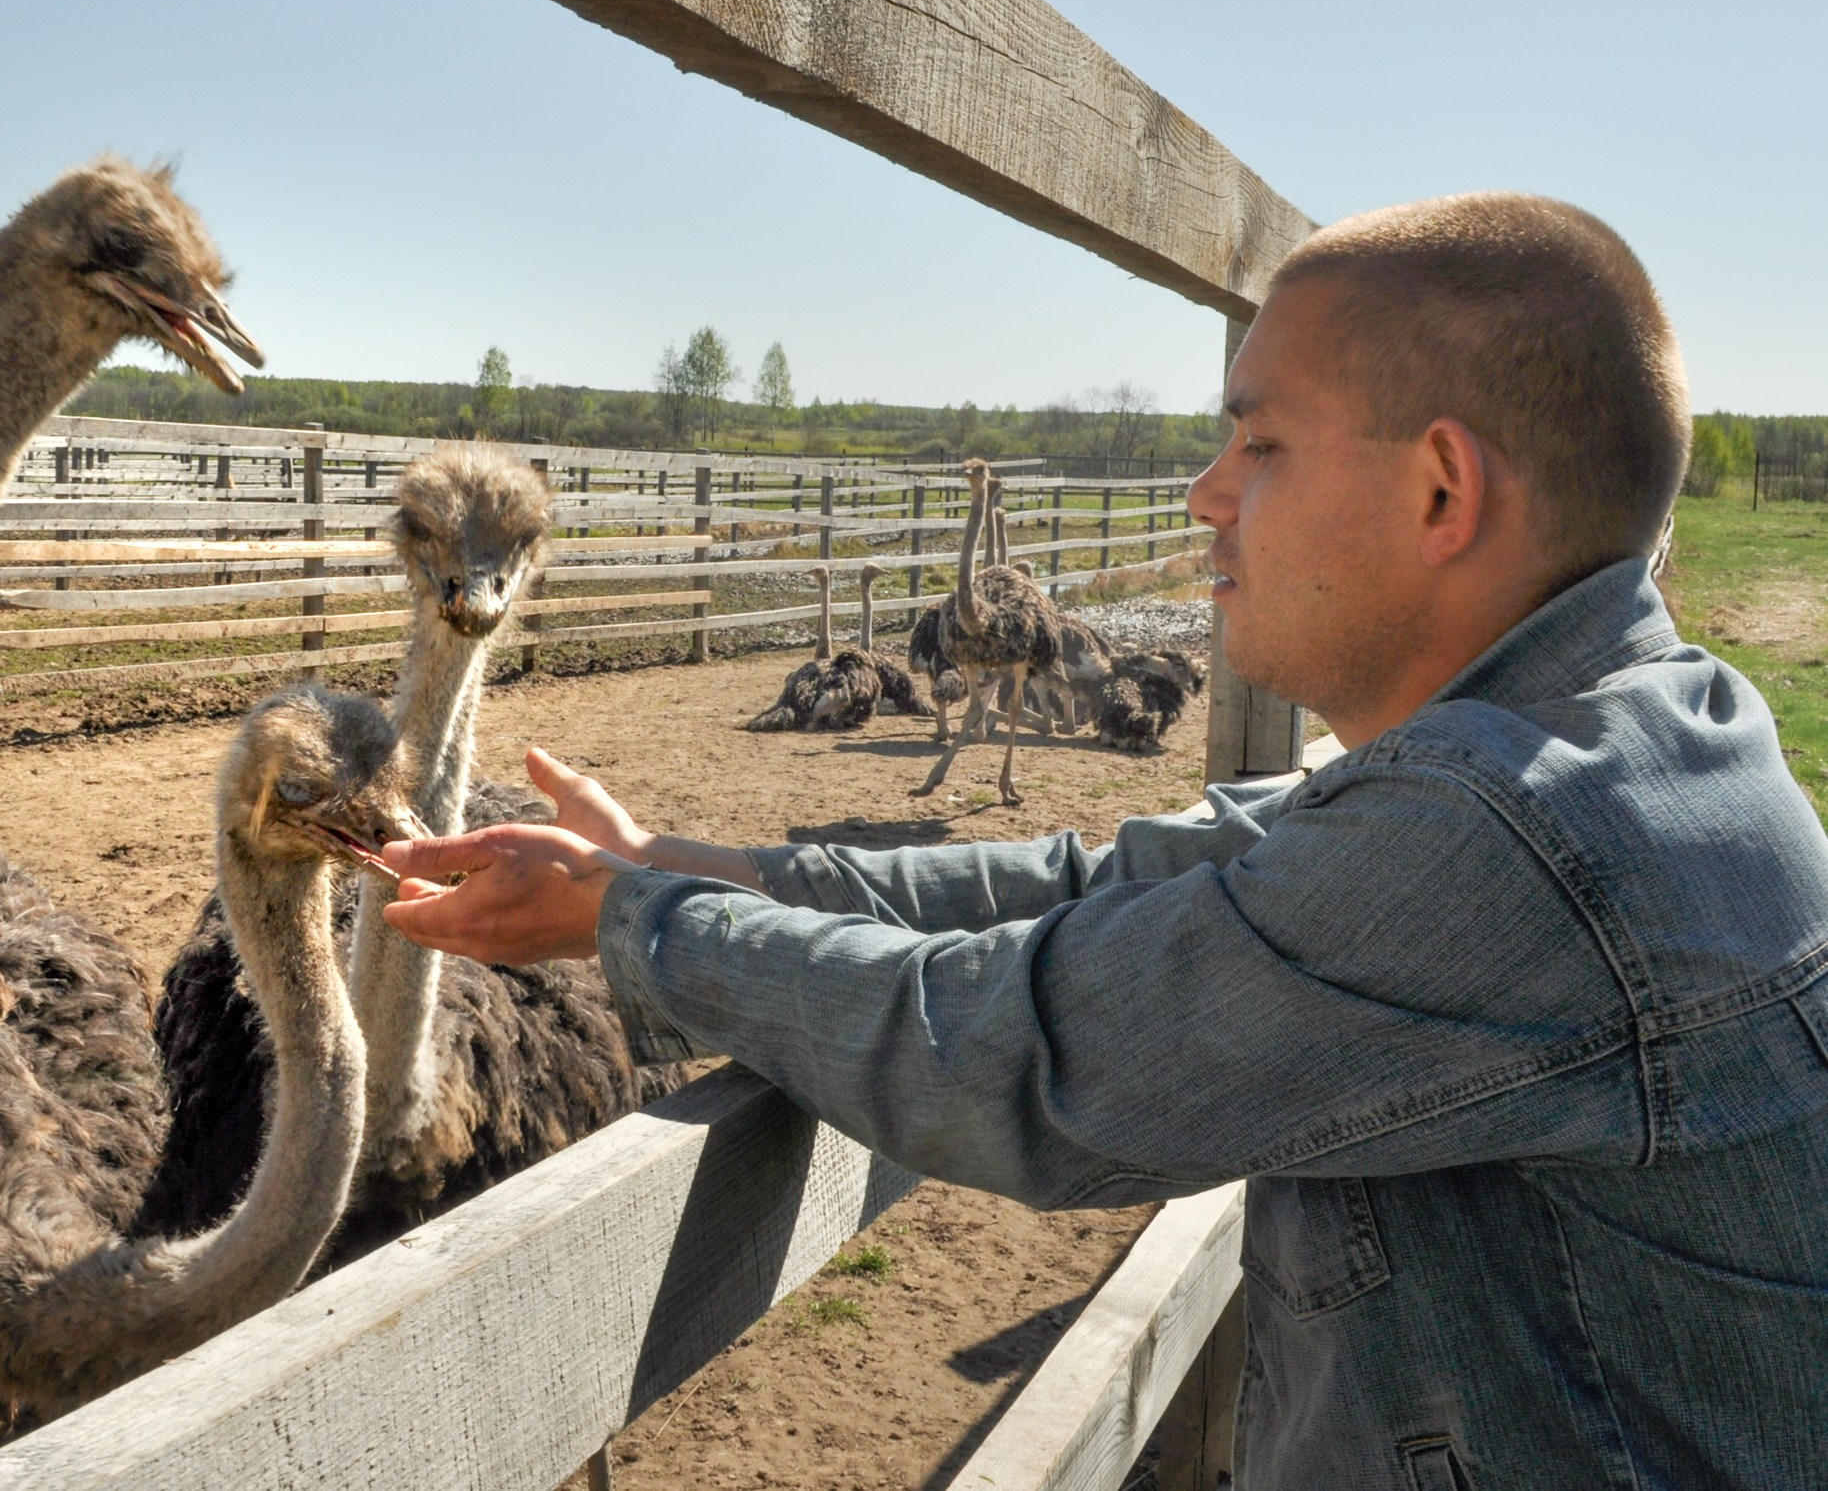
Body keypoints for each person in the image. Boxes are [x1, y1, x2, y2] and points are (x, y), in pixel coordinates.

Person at [379, 194, 1828, 1489]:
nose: (1205, 492)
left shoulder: (1529, 833)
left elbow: (1022, 1058)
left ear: (1441, 491)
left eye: (1258, 442)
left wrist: (636, 932)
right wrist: (708, 872)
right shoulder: (1602, 741)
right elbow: (1115, 880)